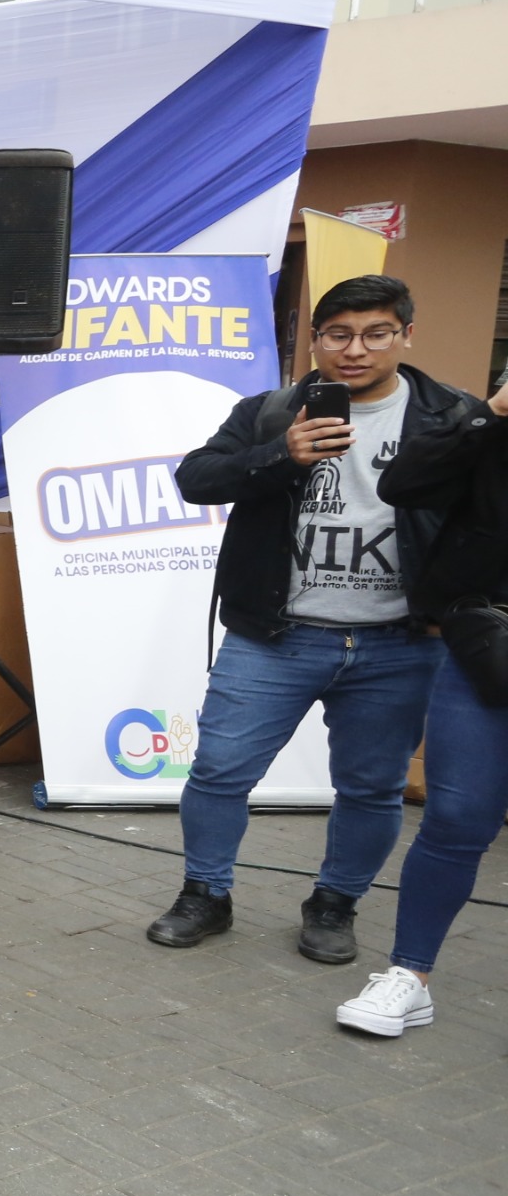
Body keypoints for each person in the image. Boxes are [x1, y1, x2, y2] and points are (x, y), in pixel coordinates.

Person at [151, 275, 473, 960]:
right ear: (317, 341)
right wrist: (280, 454)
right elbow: (196, 478)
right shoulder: (270, 411)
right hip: (276, 635)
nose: (355, 350)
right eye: (338, 335)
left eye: (376, 333)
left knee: (372, 787)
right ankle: (206, 893)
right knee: (219, 771)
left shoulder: (451, 416)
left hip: (400, 642)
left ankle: (335, 903)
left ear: (405, 336)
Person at [333, 366, 508, 1034]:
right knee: (458, 818)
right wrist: (490, 412)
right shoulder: (485, 434)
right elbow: (403, 484)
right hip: (488, 651)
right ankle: (411, 975)